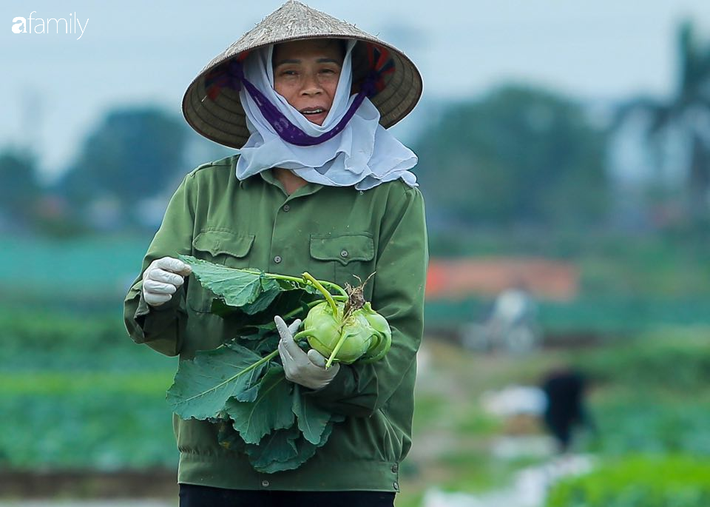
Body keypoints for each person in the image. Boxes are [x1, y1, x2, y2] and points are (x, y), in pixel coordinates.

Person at [122, 2, 427, 506]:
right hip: (219, 468)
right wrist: (152, 300)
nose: (311, 87)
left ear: (349, 81)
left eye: (327, 71)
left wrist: (335, 380)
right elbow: (161, 329)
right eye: (289, 73)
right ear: (261, 86)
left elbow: (400, 328)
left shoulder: (390, 196)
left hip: (346, 470)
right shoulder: (206, 191)